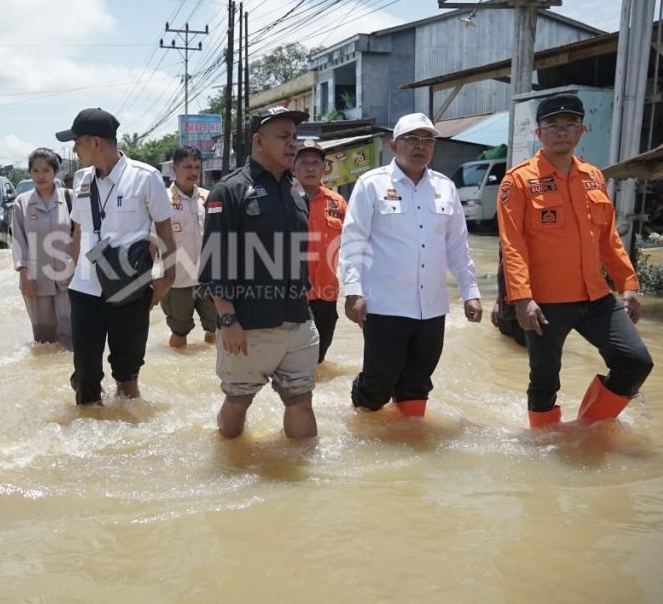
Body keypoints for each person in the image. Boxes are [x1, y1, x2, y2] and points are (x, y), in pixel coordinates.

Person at [497, 93, 653, 428]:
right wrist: (522, 299)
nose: (561, 131)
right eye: (552, 125)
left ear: (582, 130)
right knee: (544, 381)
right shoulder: (519, 180)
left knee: (636, 361)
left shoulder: (594, 177)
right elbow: (513, 245)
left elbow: (608, 239)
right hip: (546, 302)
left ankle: (588, 428)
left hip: (596, 297)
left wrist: (628, 284)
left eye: (569, 124)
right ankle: (544, 444)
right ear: (539, 133)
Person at [339, 112, 482, 417]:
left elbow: (457, 244)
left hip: (431, 308)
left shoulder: (445, 187)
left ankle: (410, 446)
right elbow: (353, 242)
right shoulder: (371, 184)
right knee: (379, 382)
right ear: (394, 145)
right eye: (412, 139)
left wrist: (470, 291)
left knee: (418, 383)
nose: (421, 146)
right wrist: (353, 290)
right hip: (385, 305)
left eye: (428, 140)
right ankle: (358, 408)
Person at [199, 105, 319, 439]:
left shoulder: (296, 191)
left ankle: (307, 483)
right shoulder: (229, 190)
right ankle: (228, 465)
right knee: (238, 401)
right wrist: (227, 320)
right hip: (248, 324)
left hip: (296, 319)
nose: (292, 143)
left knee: (301, 400)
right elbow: (215, 261)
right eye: (283, 136)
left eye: (294, 137)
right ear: (258, 141)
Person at [57, 108, 176, 405]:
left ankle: (126, 431)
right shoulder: (81, 180)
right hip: (86, 289)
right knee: (85, 375)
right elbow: (78, 231)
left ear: (96, 142)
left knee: (126, 376)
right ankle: (89, 439)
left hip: (129, 289)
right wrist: (72, 278)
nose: (73, 148)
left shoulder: (145, 177)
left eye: (77, 141)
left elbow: (164, 228)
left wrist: (168, 276)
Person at [11, 147, 74, 349]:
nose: (40, 176)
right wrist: (23, 273)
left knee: (71, 338)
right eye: (35, 171)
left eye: (46, 170)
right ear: (30, 173)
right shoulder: (22, 203)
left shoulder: (71, 199)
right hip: (35, 281)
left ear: (55, 172)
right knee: (44, 341)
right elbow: (18, 241)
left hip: (69, 280)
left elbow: (84, 237)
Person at [292, 139, 347, 363]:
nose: (310, 167)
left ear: (325, 168)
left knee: (318, 360)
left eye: (316, 162)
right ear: (293, 168)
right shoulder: (283, 199)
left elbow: (354, 246)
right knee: (291, 361)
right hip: (291, 296)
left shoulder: (338, 202)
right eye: (303, 162)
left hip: (326, 295)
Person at [161, 146, 216, 348]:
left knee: (215, 328)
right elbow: (152, 241)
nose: (193, 172)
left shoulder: (208, 198)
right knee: (179, 331)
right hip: (177, 281)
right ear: (174, 169)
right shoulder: (163, 200)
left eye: (197, 167)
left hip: (207, 280)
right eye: (187, 167)